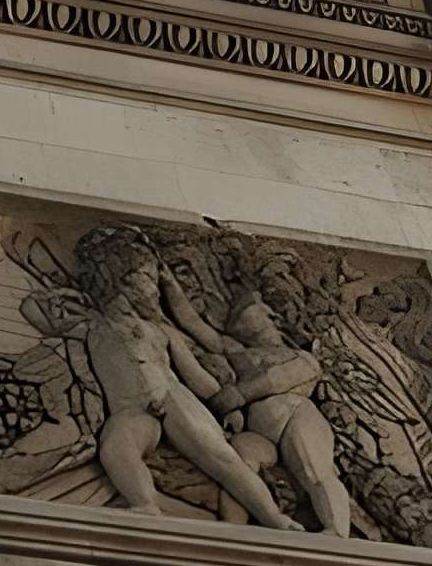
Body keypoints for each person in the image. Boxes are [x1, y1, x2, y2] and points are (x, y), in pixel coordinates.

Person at [73, 229, 295, 527]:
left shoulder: (160, 330)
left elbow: (197, 378)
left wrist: (226, 405)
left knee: (222, 458)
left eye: (153, 280)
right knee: (115, 445)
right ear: (120, 280)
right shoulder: (93, 325)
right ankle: (145, 504)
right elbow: (36, 312)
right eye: (146, 278)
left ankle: (274, 518)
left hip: (171, 396)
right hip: (131, 409)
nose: (152, 289)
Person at [219, 298, 353, 535]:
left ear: (273, 320)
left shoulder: (299, 356)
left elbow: (284, 376)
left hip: (295, 417)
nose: (240, 320)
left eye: (249, 313)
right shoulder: (238, 353)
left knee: (315, 470)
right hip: (261, 434)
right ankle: (234, 529)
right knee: (238, 458)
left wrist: (240, 395)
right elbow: (195, 328)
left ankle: (337, 531)